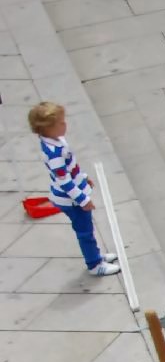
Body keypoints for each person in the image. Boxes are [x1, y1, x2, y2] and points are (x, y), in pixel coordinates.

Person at [28, 102, 120, 277]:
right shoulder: (54, 153)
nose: (65, 125)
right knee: (85, 231)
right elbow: (64, 181)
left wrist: (83, 177)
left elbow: (71, 167)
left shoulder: (57, 141)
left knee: (87, 228)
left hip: (74, 193)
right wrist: (83, 200)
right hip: (70, 199)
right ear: (48, 128)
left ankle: (96, 255)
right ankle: (94, 264)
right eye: (60, 123)